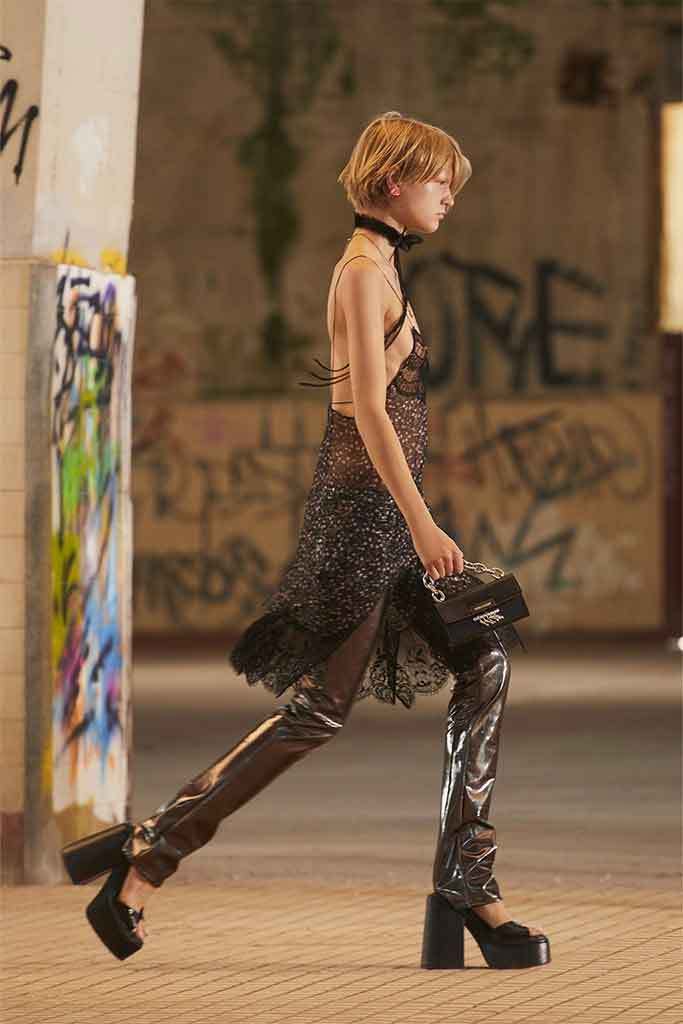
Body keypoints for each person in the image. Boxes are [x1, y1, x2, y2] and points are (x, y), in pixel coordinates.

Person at [62, 111, 550, 970]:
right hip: (360, 524)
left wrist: (413, 519)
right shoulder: (361, 271)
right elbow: (367, 413)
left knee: (485, 656)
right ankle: (148, 854)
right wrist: (421, 522)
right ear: (393, 183)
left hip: (381, 519)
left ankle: (466, 881)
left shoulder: (384, 266)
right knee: (317, 711)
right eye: (438, 183)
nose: (448, 198)